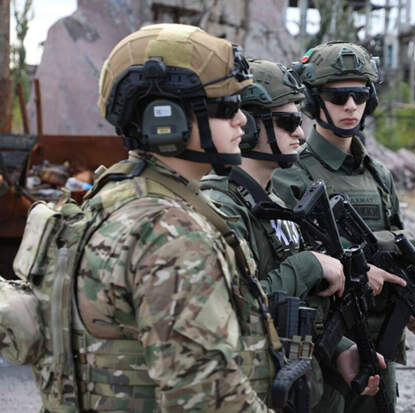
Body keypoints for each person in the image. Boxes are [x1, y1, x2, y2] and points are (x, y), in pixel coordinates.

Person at [21, 23, 280, 412]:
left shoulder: (111, 196)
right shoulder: (171, 233)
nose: (243, 120)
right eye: (227, 108)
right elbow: (205, 400)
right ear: (167, 119)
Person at [200, 58, 384, 412]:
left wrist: (340, 349)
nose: (300, 134)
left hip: (294, 385)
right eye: (288, 123)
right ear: (249, 127)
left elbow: (299, 306)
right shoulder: (221, 209)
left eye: (299, 121)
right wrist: (309, 264)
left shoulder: (274, 203)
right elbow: (232, 309)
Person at [271, 41, 415, 413]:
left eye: (359, 96)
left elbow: (399, 254)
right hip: (324, 350)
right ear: (314, 101)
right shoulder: (291, 173)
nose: (350, 107)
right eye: (338, 97)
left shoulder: (379, 175)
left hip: (380, 346)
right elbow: (286, 263)